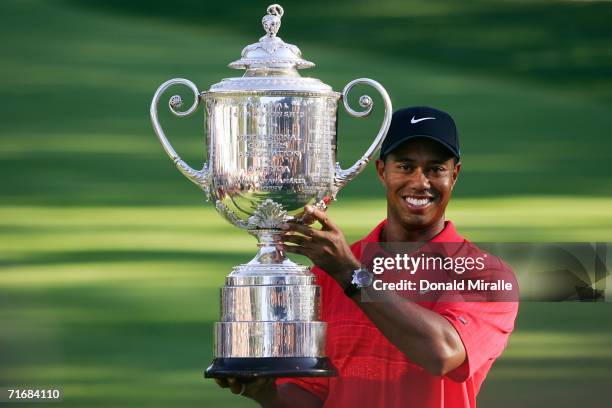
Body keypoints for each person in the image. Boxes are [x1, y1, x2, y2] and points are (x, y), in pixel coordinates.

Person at [215, 106, 519, 407]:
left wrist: (351, 275)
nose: (419, 182)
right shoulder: (330, 272)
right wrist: (263, 391)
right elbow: (312, 393)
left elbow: (442, 352)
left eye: (435, 168)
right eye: (405, 166)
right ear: (381, 171)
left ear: (455, 175)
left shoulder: (486, 275)